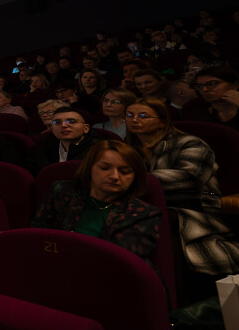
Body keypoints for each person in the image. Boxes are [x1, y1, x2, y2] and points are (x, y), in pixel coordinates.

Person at [125, 98, 239, 299]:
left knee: (160, 219)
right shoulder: (127, 148)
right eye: (130, 115)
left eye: (143, 116)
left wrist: (133, 180)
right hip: (146, 205)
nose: (135, 120)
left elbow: (190, 178)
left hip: (195, 207)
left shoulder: (190, 143)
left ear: (162, 121)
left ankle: (178, 299)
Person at [32, 140, 161, 261]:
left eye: (125, 171)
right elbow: (37, 237)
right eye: (105, 168)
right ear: (89, 168)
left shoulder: (143, 213)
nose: (114, 176)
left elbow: (120, 261)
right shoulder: (61, 192)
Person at [28, 107, 105, 174]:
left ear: (86, 128)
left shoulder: (99, 150)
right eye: (57, 122)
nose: (63, 125)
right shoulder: (43, 147)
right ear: (52, 129)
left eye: (71, 121)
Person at [191, 65, 239, 130]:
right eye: (200, 86)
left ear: (235, 85)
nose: (204, 89)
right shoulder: (197, 116)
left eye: (212, 83)